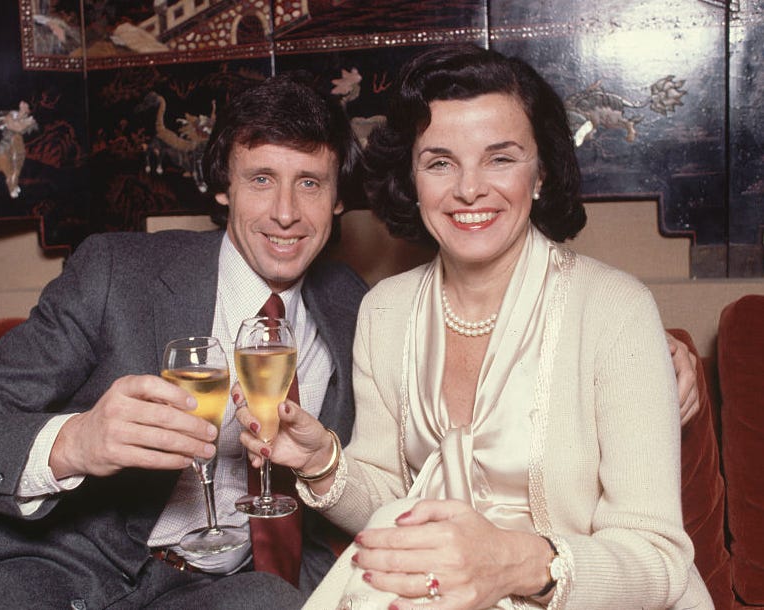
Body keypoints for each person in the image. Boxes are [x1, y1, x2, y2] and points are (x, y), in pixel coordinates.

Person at [235, 45, 713, 609]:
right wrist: (321, 462)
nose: (468, 189)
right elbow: (391, 501)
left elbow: (658, 559)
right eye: (440, 162)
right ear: (412, 179)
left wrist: (510, 565)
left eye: (500, 158)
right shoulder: (385, 310)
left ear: (540, 174)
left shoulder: (616, 309)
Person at [0, 73, 367, 609]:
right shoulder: (116, 272)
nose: (285, 212)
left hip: (223, 593)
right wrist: (76, 443)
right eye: (261, 179)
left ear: (337, 200)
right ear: (222, 187)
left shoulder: (355, 306)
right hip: (57, 571)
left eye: (310, 183)